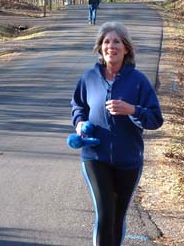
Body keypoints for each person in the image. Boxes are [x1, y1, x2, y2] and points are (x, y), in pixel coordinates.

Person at [70, 21, 163, 246]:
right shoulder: (89, 78)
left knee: (117, 218)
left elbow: (155, 119)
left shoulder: (138, 81)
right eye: (106, 41)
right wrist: (80, 123)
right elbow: (78, 106)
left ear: (126, 48)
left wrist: (132, 110)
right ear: (100, 47)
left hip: (128, 159)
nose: (111, 46)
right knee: (104, 215)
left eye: (117, 42)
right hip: (95, 156)